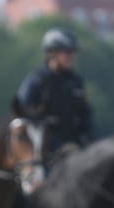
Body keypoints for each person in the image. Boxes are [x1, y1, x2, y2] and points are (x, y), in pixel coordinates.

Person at [17, 28, 93, 162]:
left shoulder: (76, 82)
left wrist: (94, 146)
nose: (72, 56)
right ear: (52, 52)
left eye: (73, 52)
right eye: (67, 52)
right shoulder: (37, 80)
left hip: (73, 148)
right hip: (43, 152)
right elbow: (21, 115)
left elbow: (86, 118)